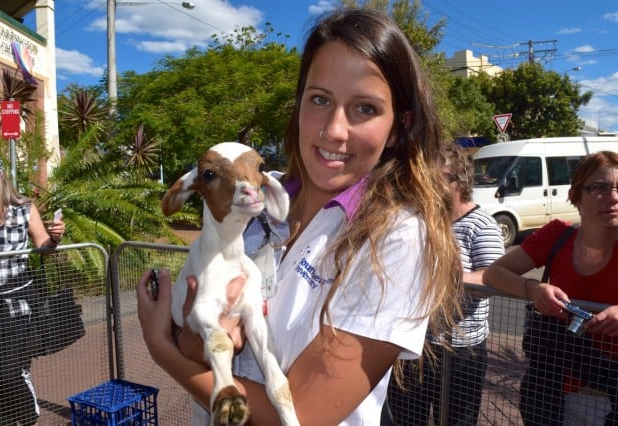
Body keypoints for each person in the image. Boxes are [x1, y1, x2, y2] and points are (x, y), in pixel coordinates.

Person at [136, 8, 463, 425]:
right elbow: (197, 340)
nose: (334, 129)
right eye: (320, 99)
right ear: (299, 104)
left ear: (398, 127)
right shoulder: (253, 202)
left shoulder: (395, 238)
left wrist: (160, 346)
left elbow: (303, 415)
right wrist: (201, 338)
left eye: (364, 108)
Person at [483, 150, 618, 426]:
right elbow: (493, 274)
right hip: (554, 393)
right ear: (576, 194)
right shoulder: (558, 235)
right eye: (600, 188)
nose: (614, 197)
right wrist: (533, 289)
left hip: (612, 392)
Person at [386, 143, 505, 425]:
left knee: (456, 419)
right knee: (406, 417)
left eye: (436, 179)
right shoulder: (422, 220)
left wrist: (448, 279)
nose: (427, 187)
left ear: (459, 181)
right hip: (416, 342)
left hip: (462, 349)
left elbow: (495, 276)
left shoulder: (481, 224)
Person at [0, 150, 65, 426]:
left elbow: (44, 248)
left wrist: (54, 239)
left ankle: (27, 414)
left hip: (15, 305)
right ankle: (8, 413)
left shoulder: (24, 210)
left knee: (7, 370)